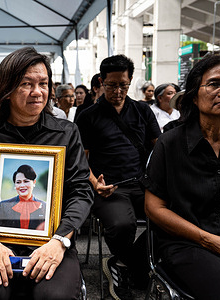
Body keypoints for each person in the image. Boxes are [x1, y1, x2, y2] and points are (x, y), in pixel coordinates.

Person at [0, 47, 93, 300]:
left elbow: (81, 191)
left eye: (43, 84)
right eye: (26, 84)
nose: (37, 92)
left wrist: (60, 240)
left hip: (53, 242)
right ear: (6, 90)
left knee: (55, 296)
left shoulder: (66, 132)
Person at [144, 54, 220, 299]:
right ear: (194, 94)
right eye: (214, 84)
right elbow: (153, 207)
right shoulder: (170, 143)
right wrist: (210, 240)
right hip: (189, 245)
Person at [76, 54, 161, 299]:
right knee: (122, 224)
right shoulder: (88, 115)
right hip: (108, 187)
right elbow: (81, 158)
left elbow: (160, 148)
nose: (118, 90)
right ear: (102, 82)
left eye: (123, 85)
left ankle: (123, 263)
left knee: (173, 218)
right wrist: (94, 183)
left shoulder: (142, 110)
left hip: (143, 183)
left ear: (130, 80)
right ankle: (132, 267)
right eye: (111, 85)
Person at [0, 165, 46, 230]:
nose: (22, 185)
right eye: (18, 182)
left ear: (34, 183)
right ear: (15, 185)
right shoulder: (3, 205)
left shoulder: (45, 207)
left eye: (26, 181)